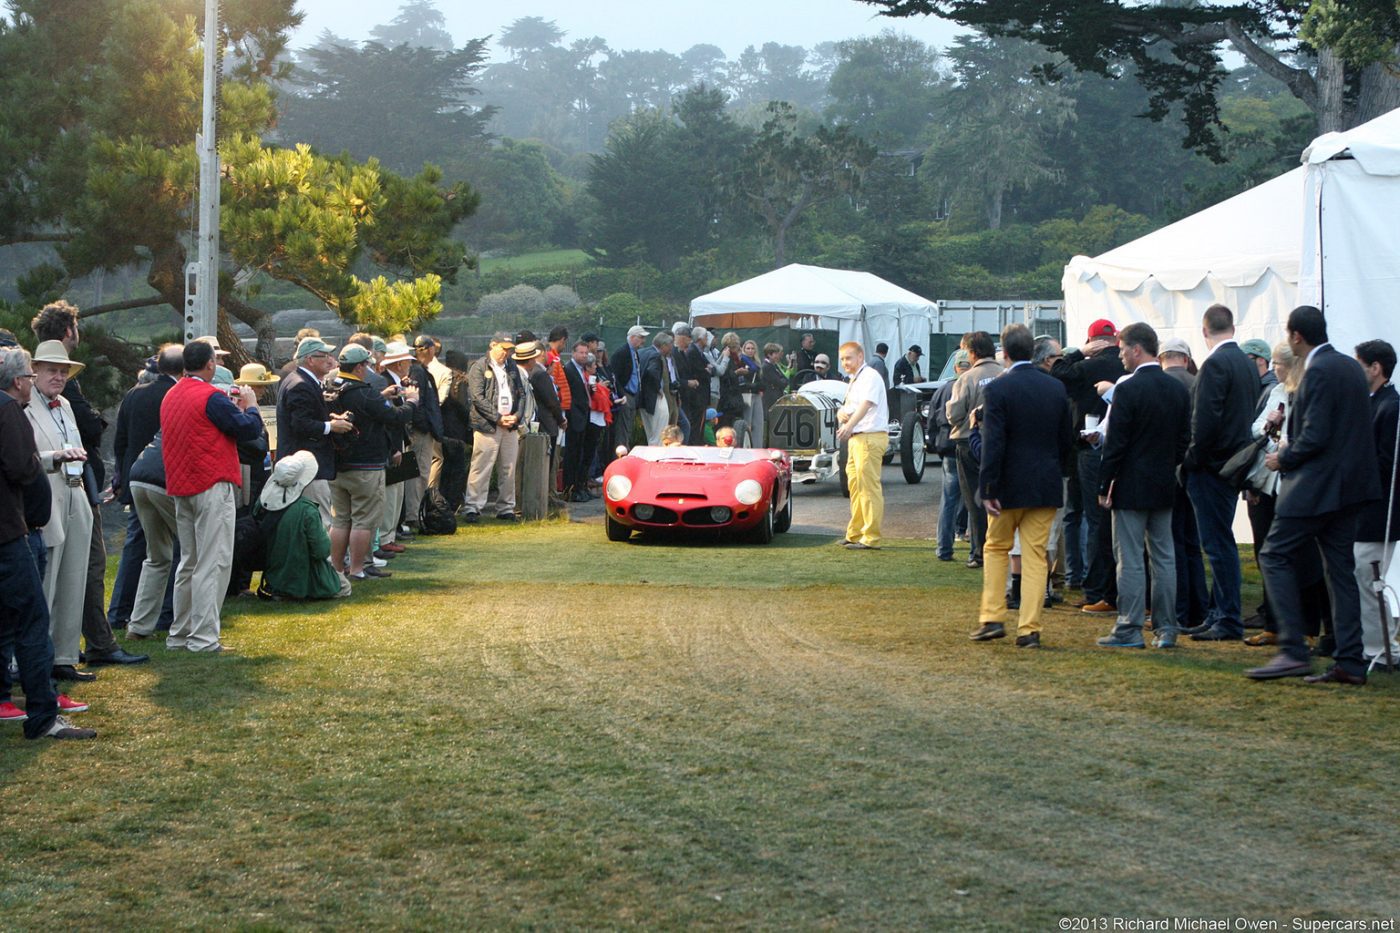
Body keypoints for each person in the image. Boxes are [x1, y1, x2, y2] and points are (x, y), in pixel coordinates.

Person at [1247, 306, 1380, 683]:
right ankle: (1350, 661)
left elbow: (1316, 435)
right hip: (1349, 489)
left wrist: (1282, 458)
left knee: (1273, 556)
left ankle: (1292, 649)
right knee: (1340, 572)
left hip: (1315, 488)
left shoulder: (1318, 370)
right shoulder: (1350, 368)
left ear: (1296, 337)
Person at [0, 346, 95, 739]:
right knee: (33, 619)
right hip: (11, 531)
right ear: (22, 379)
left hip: (26, 522)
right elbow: (23, 467)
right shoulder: (10, 411)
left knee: (11, 620)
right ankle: (42, 713)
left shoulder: (57, 407)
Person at [968, 324, 1073, 649]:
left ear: (1006, 353)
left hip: (1008, 488)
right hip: (1044, 485)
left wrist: (988, 488)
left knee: (997, 548)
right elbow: (1065, 441)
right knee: (1035, 555)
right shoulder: (1056, 388)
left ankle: (993, 617)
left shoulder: (999, 389)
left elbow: (994, 441)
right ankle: (1029, 628)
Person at [1092, 323, 1192, 650]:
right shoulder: (1177, 389)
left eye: (1122, 349)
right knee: (1164, 557)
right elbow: (1183, 441)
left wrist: (1105, 483)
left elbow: (1115, 444)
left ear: (1137, 349)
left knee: (1131, 558)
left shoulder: (1128, 390)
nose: (1120, 355)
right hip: (1164, 483)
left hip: (1130, 486)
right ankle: (1166, 628)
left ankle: (1129, 627)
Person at [160, 339, 264, 653]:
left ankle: (180, 633)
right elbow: (247, 430)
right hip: (211, 484)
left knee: (189, 563)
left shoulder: (171, 394)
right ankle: (204, 637)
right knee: (213, 561)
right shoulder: (209, 396)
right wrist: (252, 406)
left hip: (182, 485)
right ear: (210, 365)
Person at [1182, 304, 1259, 641]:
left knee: (1217, 544)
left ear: (1204, 330)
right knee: (1220, 540)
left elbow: (1206, 420)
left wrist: (1190, 461)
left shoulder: (1214, 364)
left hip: (1211, 465)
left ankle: (1227, 617)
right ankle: (1218, 612)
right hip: (1233, 463)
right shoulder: (1245, 362)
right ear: (1232, 326)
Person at [1050, 319, 1125, 615]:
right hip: (1118, 448)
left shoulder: (1086, 366)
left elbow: (1057, 371)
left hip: (1086, 449)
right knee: (1104, 520)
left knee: (1082, 517)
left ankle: (1085, 582)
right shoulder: (1124, 365)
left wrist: (1079, 352)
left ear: (1092, 340)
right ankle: (1105, 584)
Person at [328, 344, 417, 580]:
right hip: (366, 464)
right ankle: (357, 569)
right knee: (363, 520)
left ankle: (337, 568)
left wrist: (382, 396)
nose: (367, 369)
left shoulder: (332, 387)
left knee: (340, 520)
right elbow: (394, 417)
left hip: (338, 464)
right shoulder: (363, 392)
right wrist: (412, 401)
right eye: (366, 365)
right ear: (359, 367)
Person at [1352, 339, 1400, 666]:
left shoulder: (1391, 406)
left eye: (1360, 365)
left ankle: (1384, 649)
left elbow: (1386, 463)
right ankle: (1375, 645)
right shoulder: (1375, 403)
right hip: (1366, 507)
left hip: (1379, 511)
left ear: (1375, 368)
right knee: (1364, 577)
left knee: (1370, 579)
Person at [1160, 337, 1209, 631]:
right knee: (1192, 542)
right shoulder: (1197, 382)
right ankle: (1199, 608)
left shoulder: (1160, 384)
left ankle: (1178, 610)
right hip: (1194, 469)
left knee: (1172, 542)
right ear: (1187, 358)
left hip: (1168, 471)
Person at [276, 336, 352, 525]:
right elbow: (300, 425)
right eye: (324, 355)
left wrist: (330, 419)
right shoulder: (300, 384)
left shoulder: (299, 380)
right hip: (308, 467)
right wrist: (331, 426)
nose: (330, 360)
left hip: (306, 465)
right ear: (310, 360)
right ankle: (321, 556)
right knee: (319, 522)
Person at [258, 451, 351, 600]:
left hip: (273, 576)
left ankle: (281, 590)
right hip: (302, 577)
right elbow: (322, 550)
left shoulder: (262, 504)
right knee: (344, 587)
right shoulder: (307, 510)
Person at [947, 332, 1003, 567]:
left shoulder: (967, 378)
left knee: (974, 501)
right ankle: (1001, 548)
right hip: (1001, 443)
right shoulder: (1005, 374)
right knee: (1000, 497)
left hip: (969, 441)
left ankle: (978, 553)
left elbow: (954, 414)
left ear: (972, 353)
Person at [464, 332, 526, 522]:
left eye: (509, 350)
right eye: (503, 349)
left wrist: (516, 416)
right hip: (487, 426)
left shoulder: (512, 367)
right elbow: (477, 397)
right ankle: (472, 507)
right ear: (493, 345)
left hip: (509, 426)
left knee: (508, 467)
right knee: (481, 467)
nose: (506, 353)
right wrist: (498, 417)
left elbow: (522, 394)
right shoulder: (479, 367)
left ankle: (506, 507)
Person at [835, 341, 890, 550]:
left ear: (860, 357)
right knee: (856, 487)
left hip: (869, 436)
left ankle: (871, 536)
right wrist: (842, 414)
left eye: (848, 358)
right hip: (858, 438)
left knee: (868, 488)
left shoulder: (870, 376)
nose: (845, 363)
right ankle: (856, 532)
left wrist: (848, 425)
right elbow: (852, 406)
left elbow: (867, 404)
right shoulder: (856, 379)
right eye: (842, 359)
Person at [932, 350, 971, 562]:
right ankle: (977, 550)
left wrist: (936, 445)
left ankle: (943, 549)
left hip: (948, 448)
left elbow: (931, 421)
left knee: (948, 500)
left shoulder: (943, 389)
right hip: (969, 445)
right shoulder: (974, 385)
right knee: (975, 499)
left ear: (955, 367)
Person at [406, 335, 445, 528]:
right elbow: (417, 403)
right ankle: (413, 516)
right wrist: (424, 426)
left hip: (421, 430)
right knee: (418, 473)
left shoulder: (420, 370)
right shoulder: (417, 371)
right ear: (430, 350)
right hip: (419, 432)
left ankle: (414, 513)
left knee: (420, 472)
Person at [562, 340, 593, 501]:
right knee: (571, 455)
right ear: (574, 353)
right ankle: (570, 489)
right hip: (574, 417)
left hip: (584, 415)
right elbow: (569, 394)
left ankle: (578, 487)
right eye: (581, 352)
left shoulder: (582, 370)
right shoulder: (569, 369)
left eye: (586, 353)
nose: (584, 355)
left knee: (579, 454)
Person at [610, 325, 648, 452]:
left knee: (628, 429)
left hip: (633, 395)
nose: (643, 341)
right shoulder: (622, 353)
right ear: (632, 337)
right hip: (626, 395)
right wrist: (622, 395)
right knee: (623, 431)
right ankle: (620, 459)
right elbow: (614, 376)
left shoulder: (635, 353)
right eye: (641, 337)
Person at [638, 332, 677, 447]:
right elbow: (652, 371)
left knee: (650, 432)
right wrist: (658, 388)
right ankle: (656, 457)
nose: (670, 350)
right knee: (660, 432)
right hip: (655, 398)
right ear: (663, 345)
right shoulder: (656, 355)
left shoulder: (642, 352)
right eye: (669, 347)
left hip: (643, 399)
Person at [674, 323, 708, 444]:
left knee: (687, 425)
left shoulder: (682, 353)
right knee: (685, 426)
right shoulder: (675, 354)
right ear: (683, 338)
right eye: (689, 340)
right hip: (679, 396)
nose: (690, 343)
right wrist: (687, 383)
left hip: (685, 397)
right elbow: (676, 377)